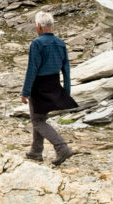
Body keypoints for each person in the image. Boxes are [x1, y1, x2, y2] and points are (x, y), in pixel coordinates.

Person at [21, 11, 78, 166]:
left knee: (38, 121)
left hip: (39, 85)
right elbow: (66, 68)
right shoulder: (61, 43)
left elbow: (32, 69)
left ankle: (61, 147)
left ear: (39, 26)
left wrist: (25, 91)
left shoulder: (37, 43)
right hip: (53, 83)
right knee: (40, 118)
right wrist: (66, 90)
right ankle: (36, 151)